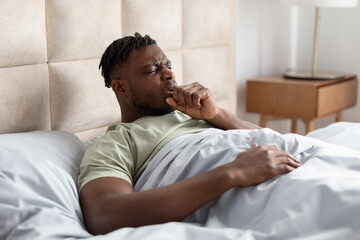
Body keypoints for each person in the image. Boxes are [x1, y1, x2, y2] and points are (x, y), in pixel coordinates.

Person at [78, 33, 301, 235]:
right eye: (153, 70)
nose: (169, 74)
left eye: (168, 65)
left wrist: (218, 115)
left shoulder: (199, 114)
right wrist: (234, 171)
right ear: (121, 88)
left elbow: (267, 139)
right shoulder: (118, 141)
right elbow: (104, 213)